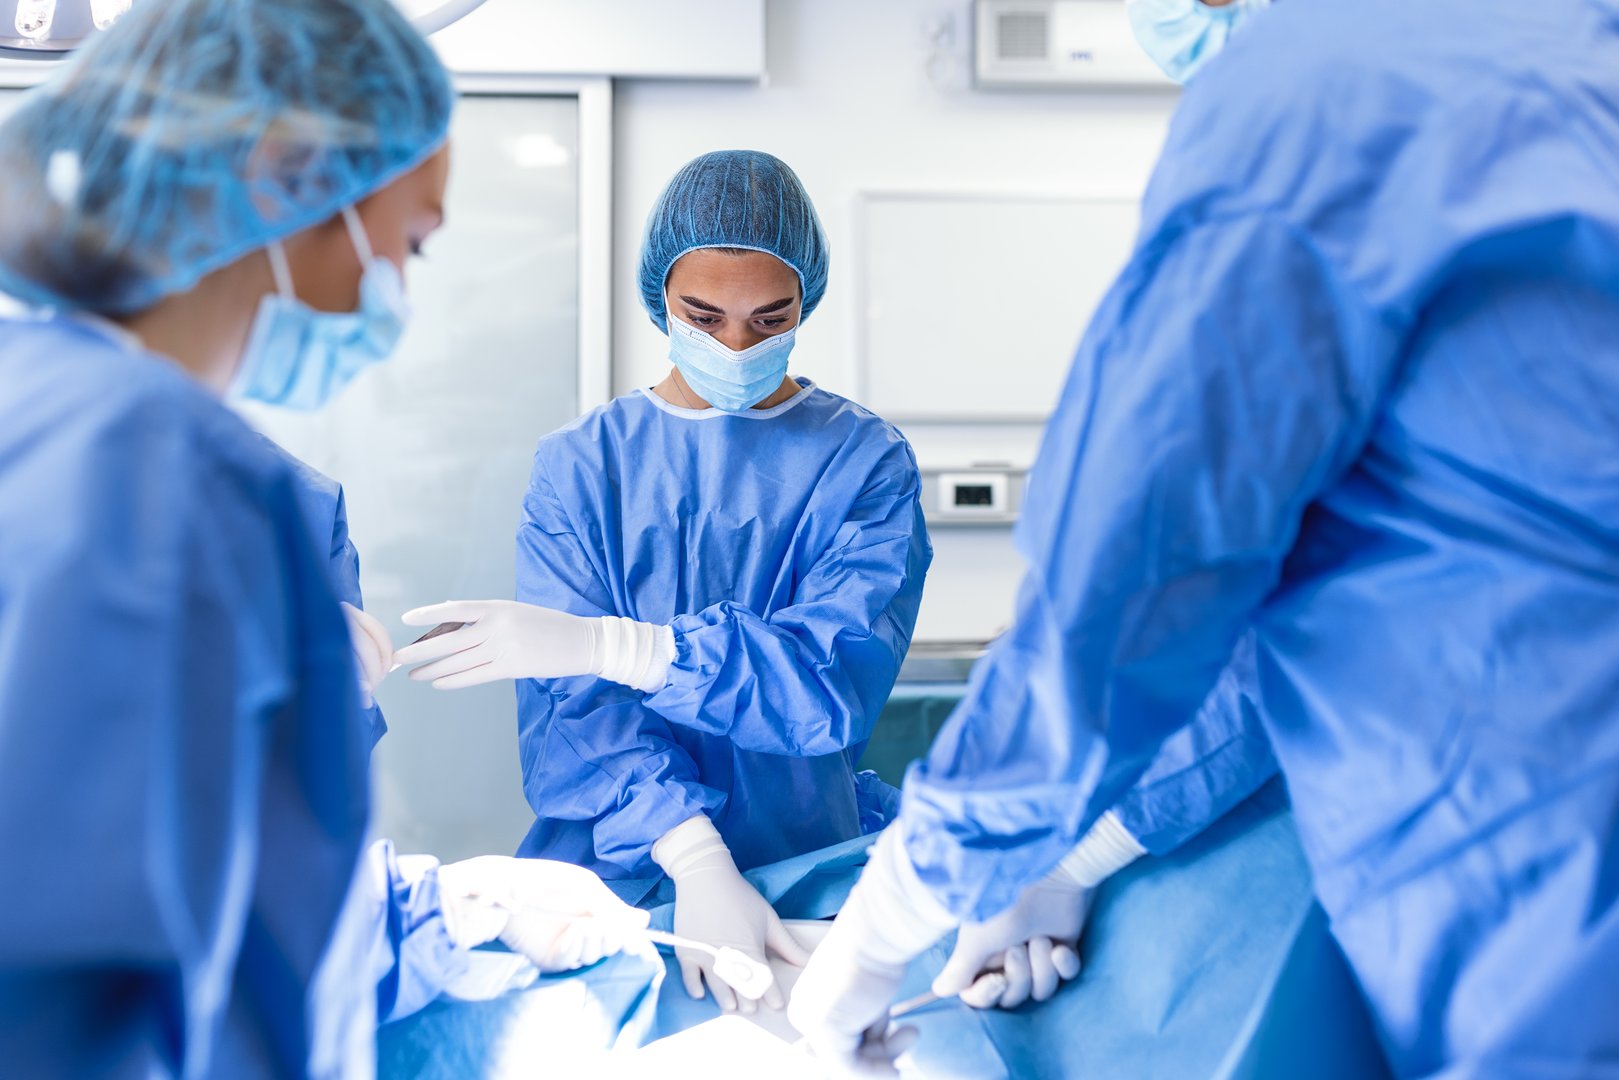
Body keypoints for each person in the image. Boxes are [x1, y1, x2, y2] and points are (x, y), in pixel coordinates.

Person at [788, 0, 1619, 1075]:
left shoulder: (1322, 98)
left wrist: (882, 929)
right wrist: (1068, 859)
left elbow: (1126, 608)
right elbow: (1348, 591)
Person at [0, 2, 644, 1075]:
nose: (393, 289)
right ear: (285, 178)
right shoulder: (175, 478)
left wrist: (443, 905)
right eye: (411, 242)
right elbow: (77, 963)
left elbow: (196, 871)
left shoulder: (50, 411)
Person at [393, 150, 933, 1014]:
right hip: (617, 871)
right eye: (704, 315)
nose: (734, 344)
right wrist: (691, 853)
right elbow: (573, 711)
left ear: (807, 304)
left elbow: (828, 678)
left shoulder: (862, 462)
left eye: (769, 318)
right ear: (659, 297)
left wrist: (621, 645)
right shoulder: (580, 467)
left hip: (809, 859)